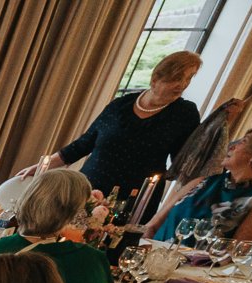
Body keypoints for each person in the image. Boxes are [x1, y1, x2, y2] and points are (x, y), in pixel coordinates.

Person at [18, 51, 202, 202]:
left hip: (134, 199)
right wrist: (42, 166)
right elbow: (83, 144)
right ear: (155, 78)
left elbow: (184, 161)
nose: (182, 85)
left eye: (188, 79)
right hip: (87, 190)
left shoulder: (185, 113)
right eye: (177, 78)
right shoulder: (119, 105)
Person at [150, 131, 252, 243]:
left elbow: (238, 250)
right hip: (154, 250)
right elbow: (152, 226)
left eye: (243, 142)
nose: (232, 146)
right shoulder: (203, 181)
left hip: (192, 255)